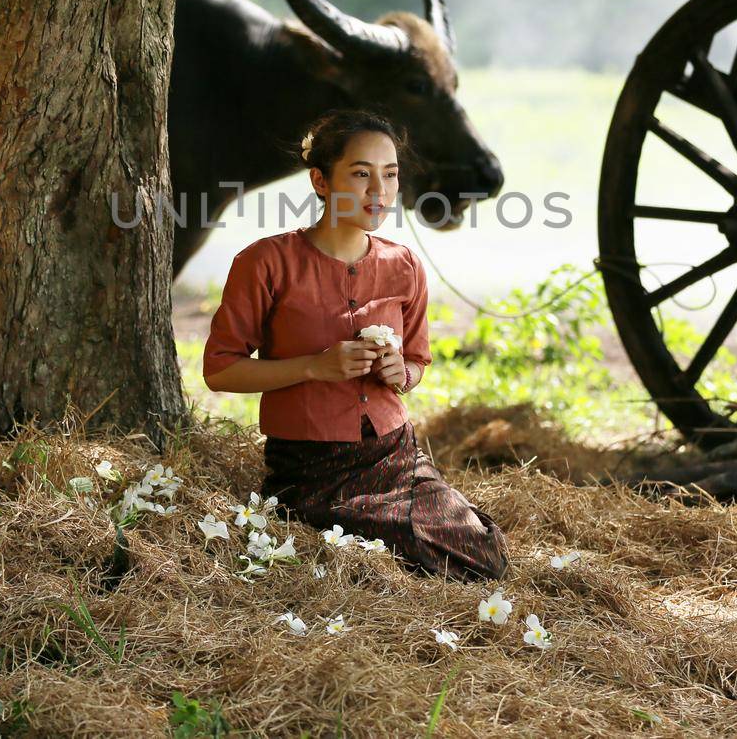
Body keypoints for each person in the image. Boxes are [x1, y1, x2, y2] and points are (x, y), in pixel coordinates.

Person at [201, 108, 508, 581]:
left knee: (484, 552)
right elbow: (220, 371)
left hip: (395, 455)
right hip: (312, 467)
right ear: (320, 181)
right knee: (404, 551)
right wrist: (313, 367)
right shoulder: (265, 262)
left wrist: (400, 373)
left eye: (389, 175)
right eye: (361, 175)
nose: (378, 192)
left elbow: (418, 361)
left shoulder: (403, 265)